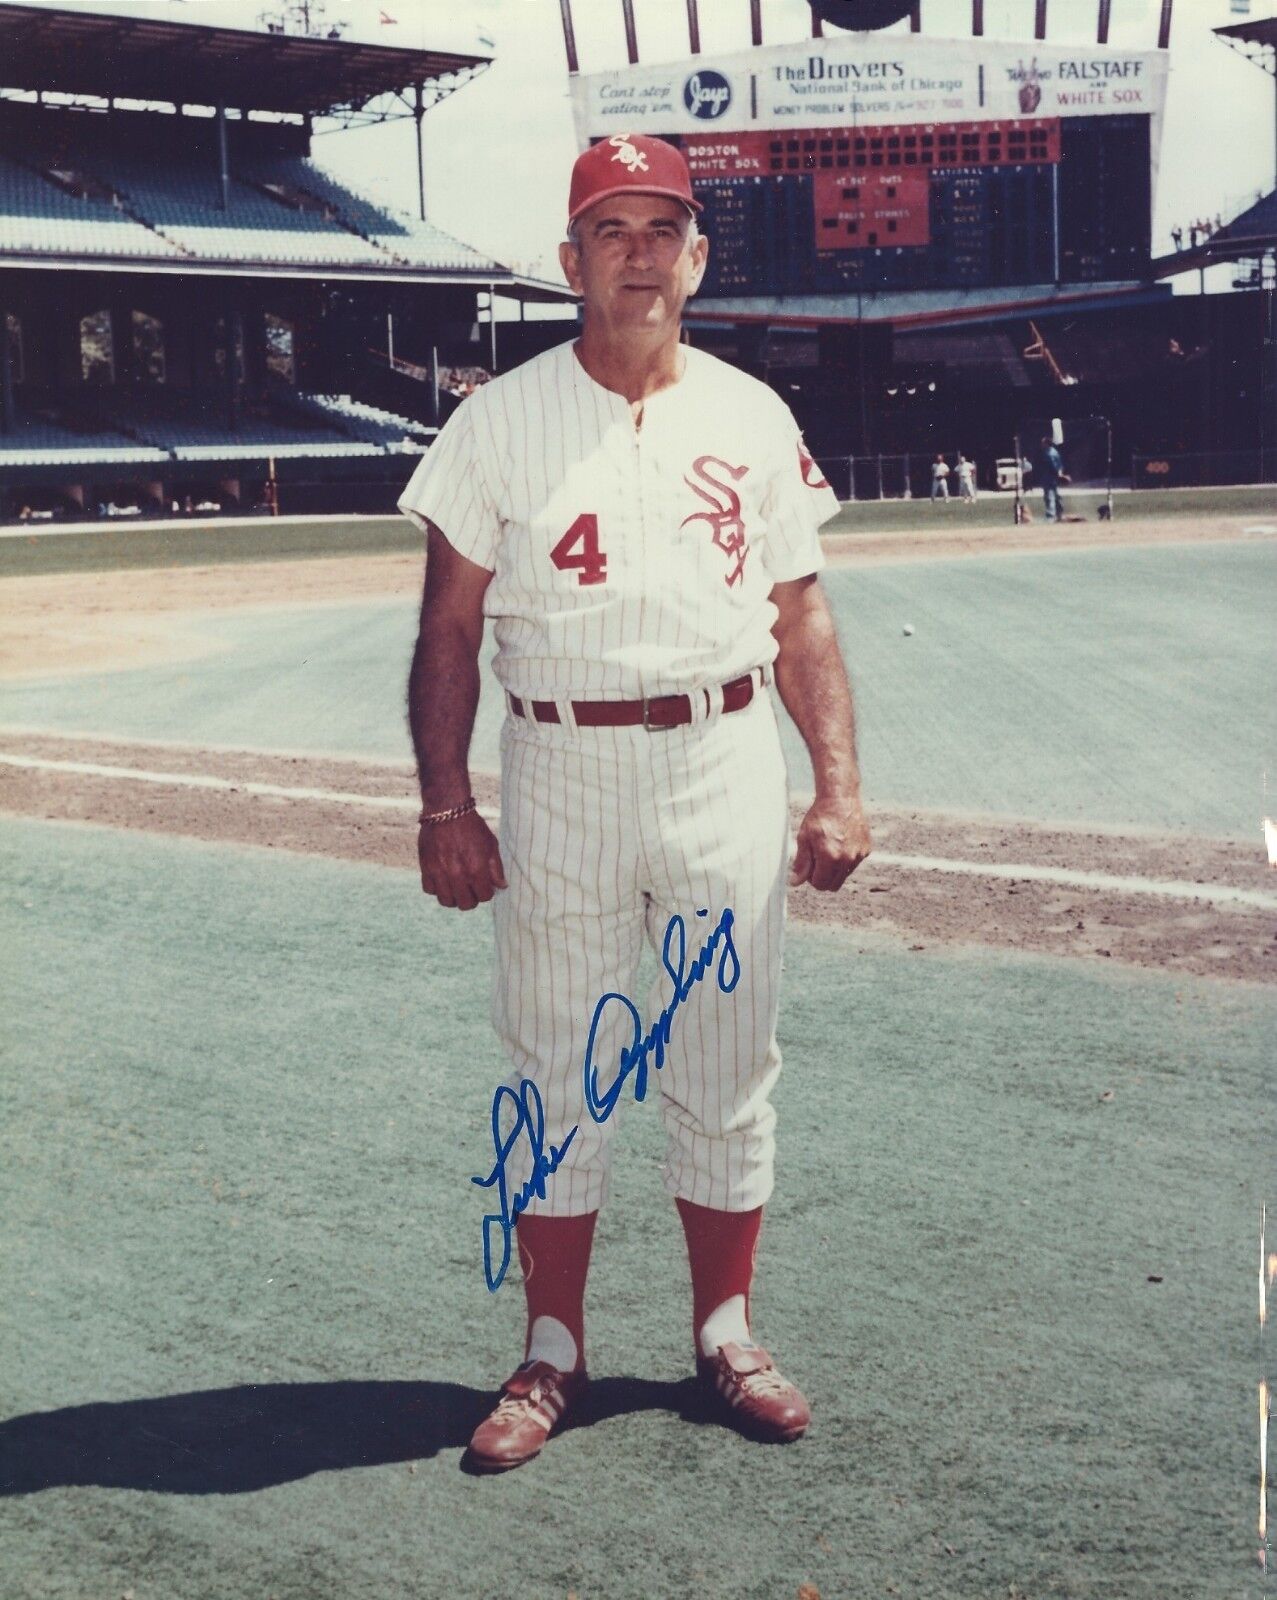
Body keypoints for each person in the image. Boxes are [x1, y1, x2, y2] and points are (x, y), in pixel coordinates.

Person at [399, 132, 871, 1473]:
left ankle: (724, 1329)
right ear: (570, 261)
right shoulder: (497, 420)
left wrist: (836, 783)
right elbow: (446, 632)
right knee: (560, 1062)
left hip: (723, 755)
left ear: (698, 257)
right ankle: (552, 1347)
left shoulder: (749, 414)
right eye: (613, 229)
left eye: (664, 227)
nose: (641, 252)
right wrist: (447, 802)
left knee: (726, 1055)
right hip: (561, 769)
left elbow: (803, 616)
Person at [1039, 436, 1069, 522]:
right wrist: (1060, 474)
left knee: (1049, 497)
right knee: (1057, 497)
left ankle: (1050, 517)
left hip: (1049, 479)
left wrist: (1058, 474)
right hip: (1054, 479)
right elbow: (1060, 465)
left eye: (1043, 443)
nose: (1041, 445)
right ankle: (1059, 514)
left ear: (1047, 444)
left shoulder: (1049, 454)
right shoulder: (1054, 452)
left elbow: (1053, 466)